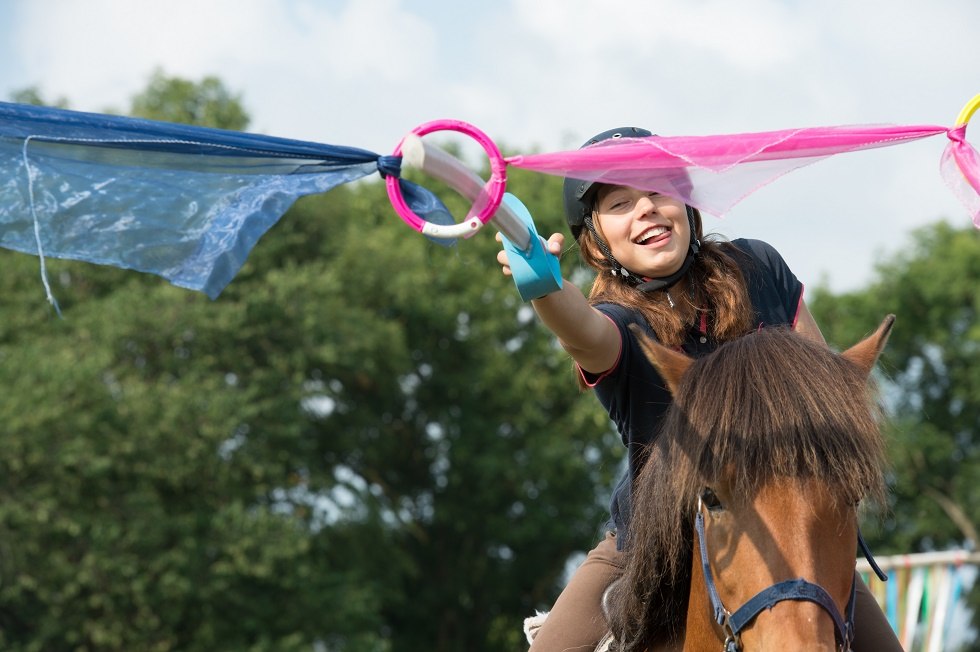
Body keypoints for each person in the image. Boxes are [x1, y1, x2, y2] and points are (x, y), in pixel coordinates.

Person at [496, 127, 903, 652]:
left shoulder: (759, 268)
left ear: (688, 207)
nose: (646, 207)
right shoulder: (620, 324)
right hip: (651, 548)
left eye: (658, 191)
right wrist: (545, 288)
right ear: (596, 240)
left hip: (796, 531)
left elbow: (824, 395)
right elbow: (582, 330)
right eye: (620, 203)